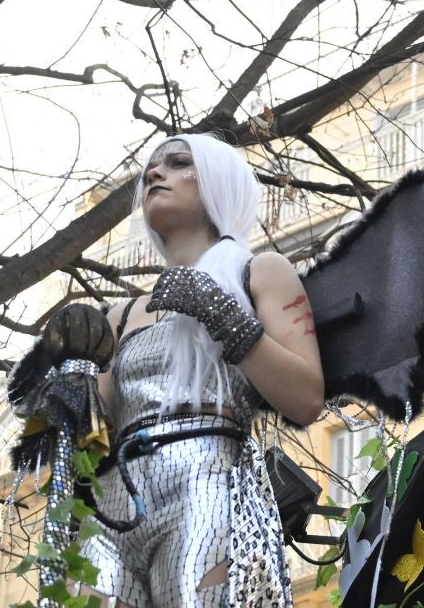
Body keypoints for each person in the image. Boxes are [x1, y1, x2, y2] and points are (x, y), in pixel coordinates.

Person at [81, 133, 325, 607]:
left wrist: (225, 317)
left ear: (217, 179)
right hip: (113, 505)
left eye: (177, 163)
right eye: (152, 167)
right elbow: (88, 447)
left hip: (204, 483)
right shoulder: (120, 317)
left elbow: (307, 397)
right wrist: (70, 378)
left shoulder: (258, 272)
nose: (155, 173)